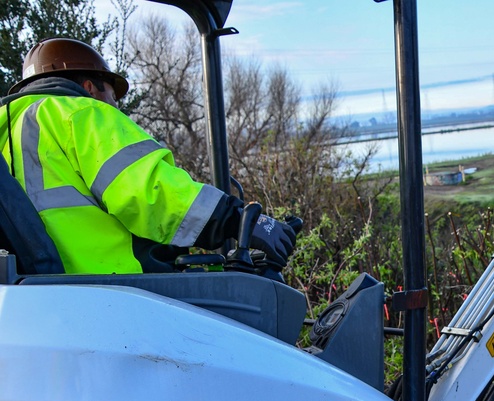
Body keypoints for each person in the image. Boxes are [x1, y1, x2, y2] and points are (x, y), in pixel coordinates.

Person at [0, 37, 298, 274]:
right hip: (112, 296)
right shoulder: (80, 113)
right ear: (89, 87)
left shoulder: (7, 127)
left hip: (33, 301)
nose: (114, 107)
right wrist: (238, 219)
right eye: (112, 97)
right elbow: (149, 191)